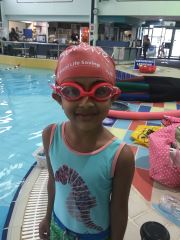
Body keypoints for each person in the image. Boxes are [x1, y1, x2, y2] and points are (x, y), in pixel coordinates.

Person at [39, 43, 135, 240]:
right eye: (73, 92)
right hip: (58, 224)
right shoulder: (50, 136)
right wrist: (46, 217)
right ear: (59, 98)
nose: (86, 103)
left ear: (112, 97)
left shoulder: (120, 157)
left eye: (99, 91)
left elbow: (118, 209)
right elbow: (53, 182)